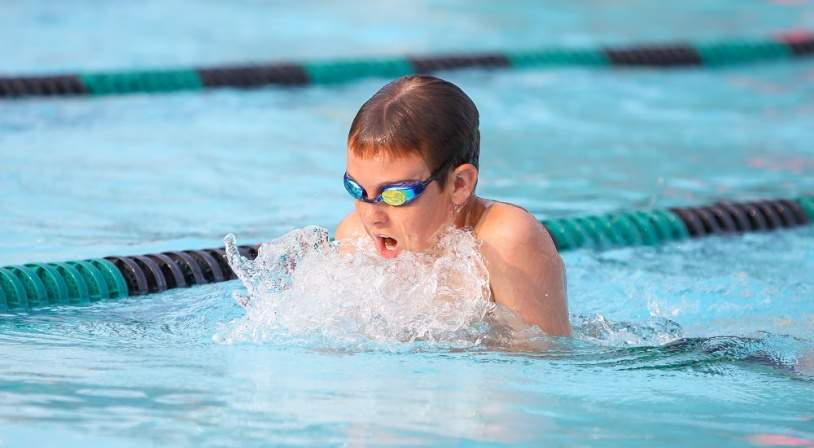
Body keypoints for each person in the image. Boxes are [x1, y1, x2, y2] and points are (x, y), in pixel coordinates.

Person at [335, 75, 570, 337]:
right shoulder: (354, 239)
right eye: (356, 189)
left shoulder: (506, 242)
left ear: (459, 184)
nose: (372, 216)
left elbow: (544, 360)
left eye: (395, 195)